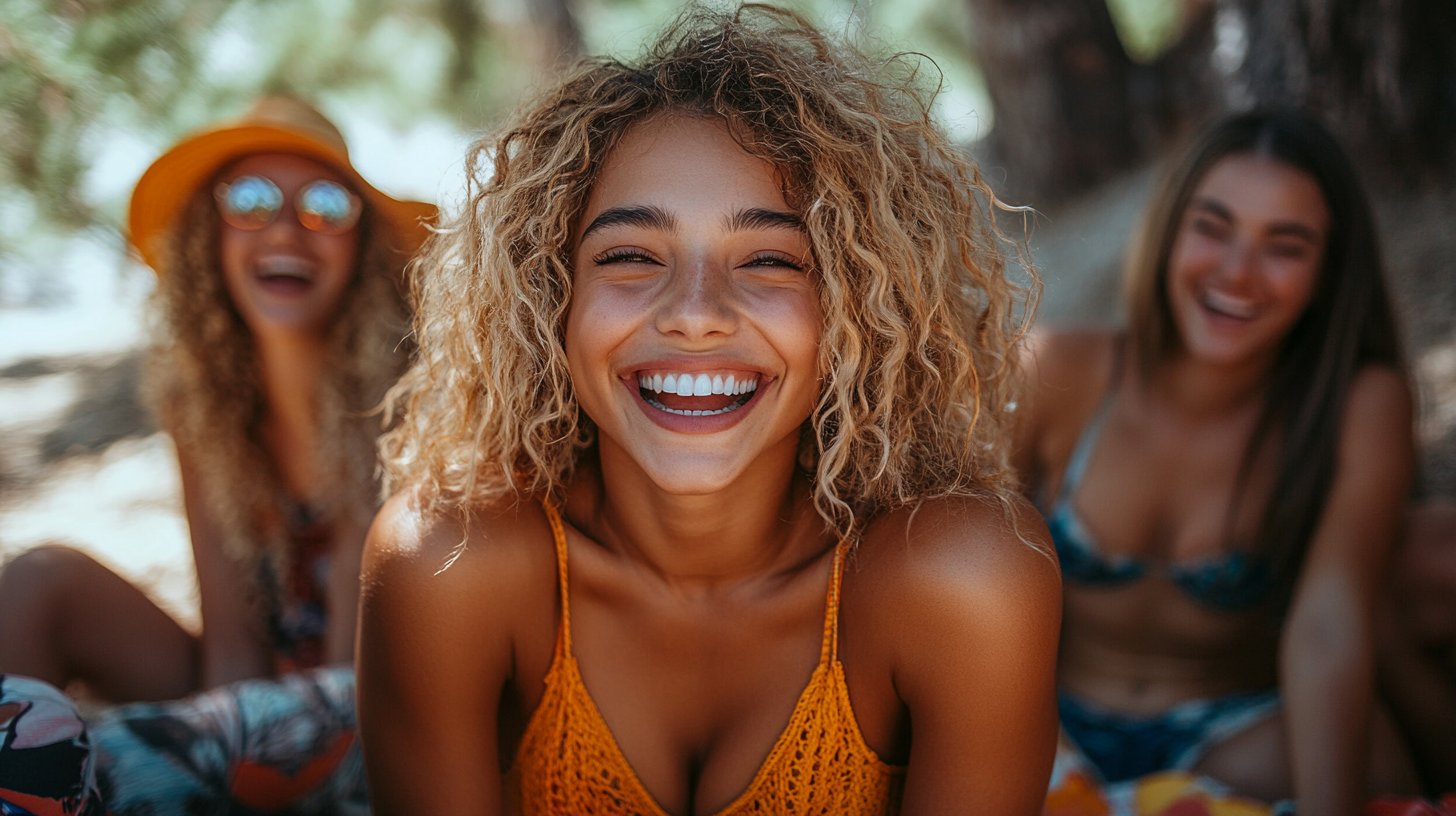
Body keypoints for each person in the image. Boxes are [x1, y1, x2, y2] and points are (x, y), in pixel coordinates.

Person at [357, 6, 1062, 813]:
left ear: (861, 307)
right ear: (550, 299)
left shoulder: (958, 576)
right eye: (629, 255)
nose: (696, 312)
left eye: (770, 259)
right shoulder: (449, 566)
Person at [0, 95, 434, 812]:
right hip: (256, 697)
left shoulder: (404, 390)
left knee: (49, 757)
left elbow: (353, 676)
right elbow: (230, 641)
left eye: (326, 205)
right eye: (251, 200)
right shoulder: (202, 405)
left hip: (377, 697)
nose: (288, 229)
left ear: (362, 246)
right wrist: (230, 751)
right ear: (211, 236)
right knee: (41, 581)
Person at [1015, 110, 1418, 815]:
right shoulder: (1057, 369)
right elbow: (959, 573)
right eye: (1212, 226)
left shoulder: (1360, 402)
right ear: (1168, 230)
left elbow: (1330, 618)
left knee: (1375, 761)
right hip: (1045, 719)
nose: (1237, 272)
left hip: (1233, 731)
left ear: (1328, 273)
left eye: (1285, 247)